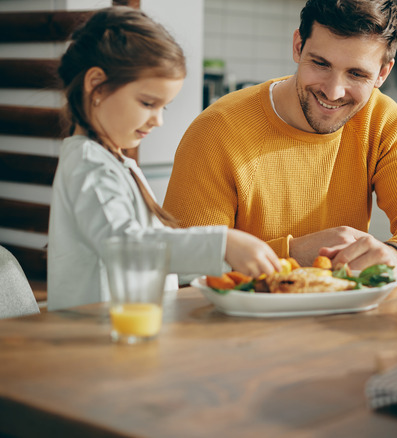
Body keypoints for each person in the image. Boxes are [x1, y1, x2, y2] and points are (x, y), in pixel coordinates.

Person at [163, 0, 397, 283]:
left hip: (343, 319)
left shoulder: (381, 120)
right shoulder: (217, 130)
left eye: (356, 74)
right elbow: (181, 263)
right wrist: (290, 255)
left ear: (382, 73)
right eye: (321, 63)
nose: (333, 91)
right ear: (298, 46)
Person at [47, 7, 281, 311]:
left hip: (127, 330)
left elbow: (152, 246)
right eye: (147, 103)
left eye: (164, 108)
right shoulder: (88, 163)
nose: (158, 120)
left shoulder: (113, 161)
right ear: (97, 85)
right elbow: (126, 246)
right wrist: (222, 242)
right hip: (99, 339)